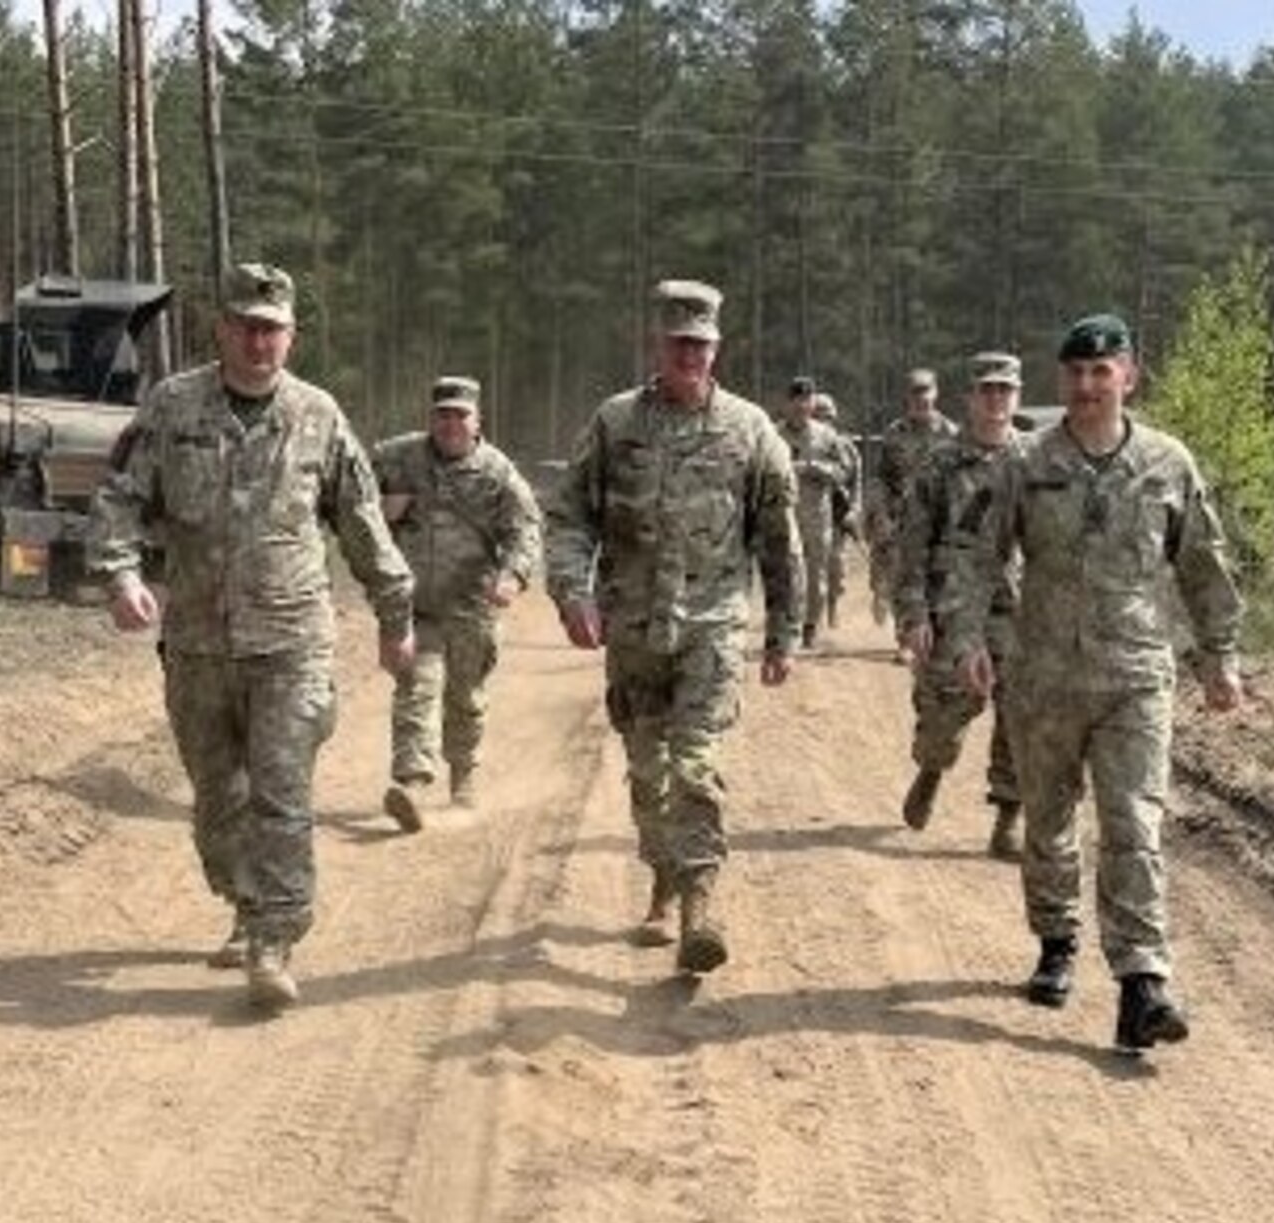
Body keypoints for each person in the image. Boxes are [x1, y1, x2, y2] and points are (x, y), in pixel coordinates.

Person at [86, 263, 416, 1009]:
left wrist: (396, 618)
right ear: (221, 329)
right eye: (245, 325)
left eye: (271, 328)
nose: (258, 339)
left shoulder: (320, 417)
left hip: (292, 641)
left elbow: (363, 526)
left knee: (281, 791)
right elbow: (120, 499)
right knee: (216, 799)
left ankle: (274, 937)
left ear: (291, 336)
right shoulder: (172, 407)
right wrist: (120, 574)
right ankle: (242, 899)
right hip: (198, 644)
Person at [948, 313, 1244, 1053]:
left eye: (1101, 373)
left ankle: (1143, 982)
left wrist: (1220, 654)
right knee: (1048, 823)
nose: (1087, 387)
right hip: (1042, 674)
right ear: (1062, 381)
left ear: (1128, 377)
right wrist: (972, 637)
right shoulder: (1025, 462)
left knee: (1133, 825)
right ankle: (1056, 939)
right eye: (1076, 374)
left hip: (1136, 676)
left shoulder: (1168, 463)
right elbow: (978, 557)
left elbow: (1203, 563)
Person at [544, 279, 802, 974]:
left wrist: (783, 633)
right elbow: (568, 515)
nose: (689, 354)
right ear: (657, 345)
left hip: (711, 627)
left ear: (717, 348)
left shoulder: (750, 430)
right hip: (632, 631)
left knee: (696, 765)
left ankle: (700, 901)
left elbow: (779, 539)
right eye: (678, 342)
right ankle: (661, 875)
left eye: (701, 344)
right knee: (647, 774)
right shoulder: (615, 423)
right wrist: (572, 592)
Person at [370, 375, 542, 830]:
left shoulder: (497, 473)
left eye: (459, 415)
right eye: (442, 414)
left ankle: (463, 775)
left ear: (477, 420)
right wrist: (379, 515)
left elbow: (526, 530)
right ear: (431, 418)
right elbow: (352, 495)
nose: (450, 424)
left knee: (465, 697)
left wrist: (513, 575)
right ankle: (411, 784)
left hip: (473, 607)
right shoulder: (396, 457)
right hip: (417, 606)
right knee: (416, 687)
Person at [891, 351, 1025, 860]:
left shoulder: (1036, 461)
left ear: (1016, 396)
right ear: (969, 397)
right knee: (945, 708)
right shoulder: (941, 464)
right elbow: (913, 544)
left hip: (1016, 608)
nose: (996, 399)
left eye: (1005, 390)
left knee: (1019, 712)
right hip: (954, 607)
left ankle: (1007, 818)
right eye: (986, 390)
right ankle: (931, 767)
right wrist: (914, 613)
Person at [869, 368, 959, 642]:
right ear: (907, 397)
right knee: (903, 575)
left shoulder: (952, 433)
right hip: (902, 520)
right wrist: (878, 514)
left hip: (939, 522)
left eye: (926, 391)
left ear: (936, 393)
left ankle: (933, 630)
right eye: (916, 393)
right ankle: (905, 635)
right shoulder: (894, 434)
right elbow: (881, 477)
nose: (922, 399)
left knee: (937, 575)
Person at [778, 376, 856, 649]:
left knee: (816, 573)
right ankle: (789, 624)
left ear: (812, 403)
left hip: (817, 515)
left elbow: (844, 472)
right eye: (796, 399)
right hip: (785, 514)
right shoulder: (775, 435)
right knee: (787, 571)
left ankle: (811, 625)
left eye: (806, 399)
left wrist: (816, 468)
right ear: (787, 403)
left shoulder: (827, 436)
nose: (801, 405)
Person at [812, 392, 862, 629]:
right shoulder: (804, 444)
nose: (823, 423)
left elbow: (856, 483)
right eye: (818, 417)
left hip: (837, 517)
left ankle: (832, 610)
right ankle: (812, 618)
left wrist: (854, 510)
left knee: (835, 568)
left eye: (827, 418)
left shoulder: (846, 447)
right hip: (809, 516)